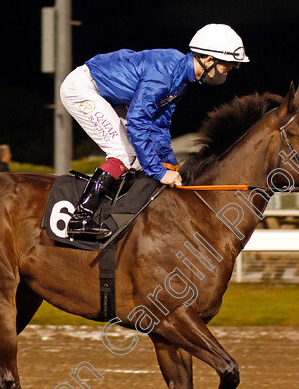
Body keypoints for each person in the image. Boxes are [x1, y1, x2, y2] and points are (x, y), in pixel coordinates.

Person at [59, 23, 249, 239]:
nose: (230, 70)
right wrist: (160, 173)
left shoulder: (180, 80)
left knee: (139, 160)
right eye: (228, 65)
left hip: (108, 95)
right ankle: (80, 218)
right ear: (208, 60)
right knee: (122, 153)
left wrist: (171, 166)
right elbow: (138, 122)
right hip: (83, 88)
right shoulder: (166, 73)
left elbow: (158, 127)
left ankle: (115, 212)